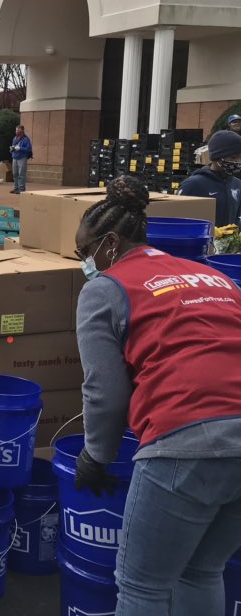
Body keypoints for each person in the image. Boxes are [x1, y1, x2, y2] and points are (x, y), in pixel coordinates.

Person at [72, 174, 241, 616]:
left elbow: (104, 391)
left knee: (141, 585)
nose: (84, 264)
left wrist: (95, 457)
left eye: (84, 253)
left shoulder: (104, 290)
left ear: (109, 243)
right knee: (202, 571)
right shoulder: (213, 277)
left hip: (186, 438)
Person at [178, 130, 241, 227]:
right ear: (217, 157)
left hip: (229, 241)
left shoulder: (237, 184)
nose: (238, 162)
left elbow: (237, 218)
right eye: (233, 157)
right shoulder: (193, 184)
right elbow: (178, 218)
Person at [10, 124, 33, 194]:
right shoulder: (15, 138)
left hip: (22, 158)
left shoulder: (26, 139)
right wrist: (12, 149)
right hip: (15, 157)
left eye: (18, 130)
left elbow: (28, 149)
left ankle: (21, 189)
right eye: (16, 130)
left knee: (21, 174)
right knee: (15, 174)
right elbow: (13, 146)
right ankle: (16, 188)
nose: (16, 131)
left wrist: (20, 148)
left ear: (22, 131)